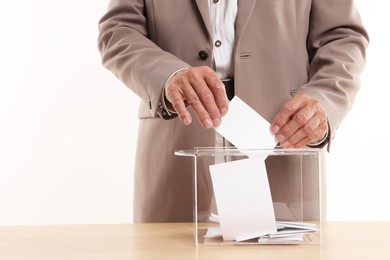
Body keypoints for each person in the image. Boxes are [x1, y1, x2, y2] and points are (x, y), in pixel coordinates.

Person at [98, 0, 368, 223]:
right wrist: (167, 75)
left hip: (278, 137)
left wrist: (325, 100)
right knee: (170, 249)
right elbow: (118, 30)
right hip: (178, 137)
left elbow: (342, 35)